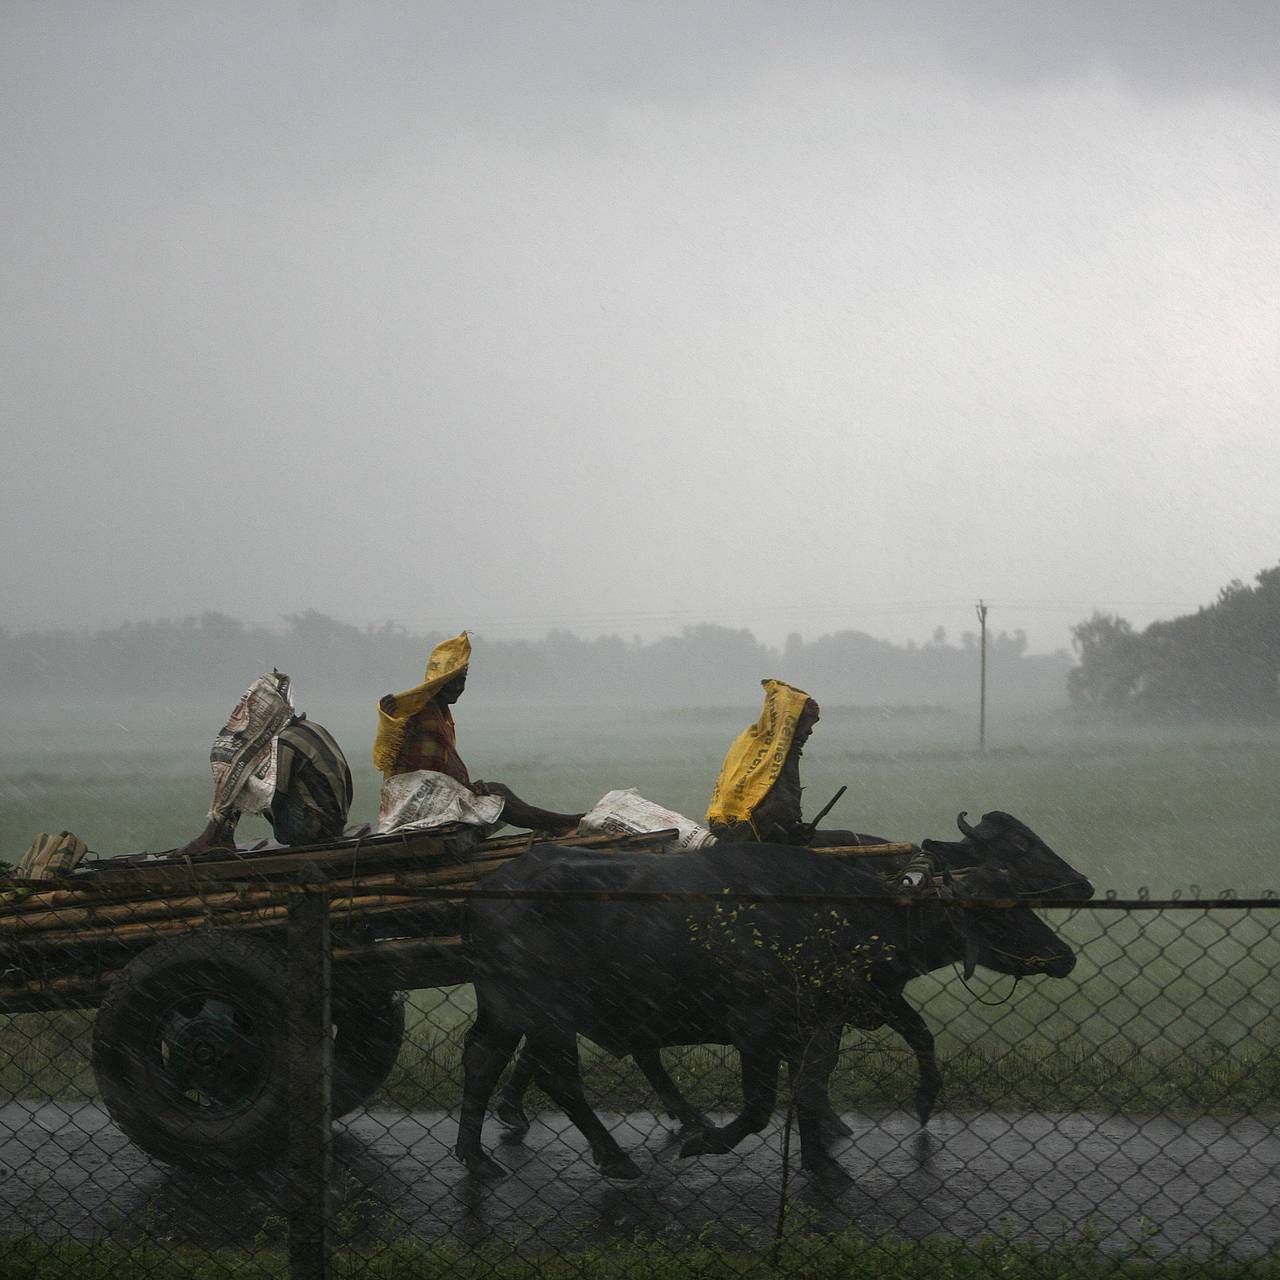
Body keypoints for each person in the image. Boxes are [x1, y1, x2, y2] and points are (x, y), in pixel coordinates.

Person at [374, 632, 582, 835]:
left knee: (496, 789)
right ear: (438, 683)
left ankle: (560, 823)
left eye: (462, 680)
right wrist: (388, 719)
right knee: (499, 798)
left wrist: (467, 787)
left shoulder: (442, 716)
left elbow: (443, 769)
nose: (458, 688)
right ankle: (565, 823)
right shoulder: (415, 712)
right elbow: (388, 747)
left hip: (435, 797)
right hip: (416, 805)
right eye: (452, 681)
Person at [180, 670, 353, 853]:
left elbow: (275, 795)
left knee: (241, 775)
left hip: (316, 830)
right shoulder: (307, 728)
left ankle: (217, 836)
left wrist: (238, 779)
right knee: (243, 772)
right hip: (333, 822)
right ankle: (218, 835)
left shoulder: (285, 741)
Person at [705, 679, 822, 844]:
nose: (809, 731)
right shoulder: (773, 754)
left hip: (739, 834)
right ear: (792, 724)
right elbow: (780, 807)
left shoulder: (754, 744)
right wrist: (792, 830)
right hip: (749, 839)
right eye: (807, 725)